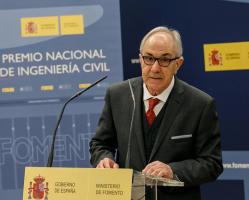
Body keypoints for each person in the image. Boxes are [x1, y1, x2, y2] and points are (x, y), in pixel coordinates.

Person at [89, 26, 223, 199]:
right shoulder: (117, 95)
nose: (155, 68)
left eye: (165, 60)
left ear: (178, 64)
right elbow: (100, 144)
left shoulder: (200, 104)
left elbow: (212, 163)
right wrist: (104, 160)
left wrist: (172, 170)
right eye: (149, 58)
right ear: (140, 59)